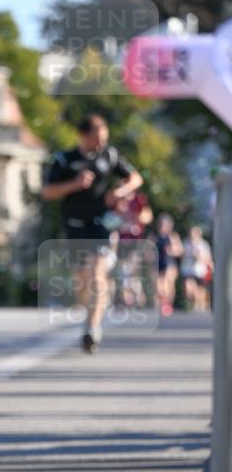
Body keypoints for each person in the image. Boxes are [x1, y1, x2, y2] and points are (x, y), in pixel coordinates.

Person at [43, 114, 143, 352]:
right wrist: (74, 184)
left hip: (100, 226)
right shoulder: (64, 160)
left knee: (97, 274)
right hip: (74, 227)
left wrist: (121, 191)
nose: (100, 144)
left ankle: (92, 329)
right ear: (83, 136)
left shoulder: (110, 155)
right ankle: (90, 314)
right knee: (82, 282)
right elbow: (47, 192)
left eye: (104, 139)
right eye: (96, 139)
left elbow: (135, 178)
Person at [154, 213, 183, 316]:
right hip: (159, 263)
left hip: (170, 263)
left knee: (168, 284)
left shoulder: (172, 236)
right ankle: (163, 303)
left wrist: (171, 251)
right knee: (159, 286)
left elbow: (179, 251)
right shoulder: (155, 236)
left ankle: (167, 304)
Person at [181, 225, 213, 312]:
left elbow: (208, 258)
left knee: (201, 289)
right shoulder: (186, 243)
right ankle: (193, 302)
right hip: (188, 269)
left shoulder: (203, 244)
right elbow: (182, 254)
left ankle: (200, 305)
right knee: (189, 288)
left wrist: (199, 256)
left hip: (200, 270)